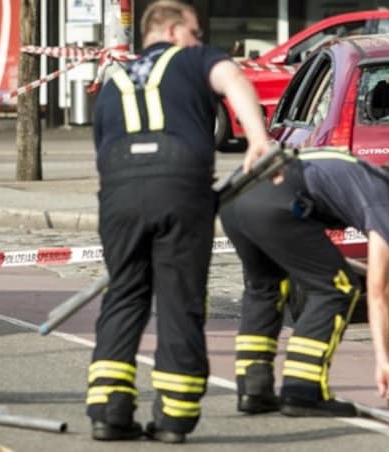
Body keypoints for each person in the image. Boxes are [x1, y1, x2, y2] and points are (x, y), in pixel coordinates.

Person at [88, 0, 270, 444]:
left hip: (118, 189)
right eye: (195, 32)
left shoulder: (112, 82)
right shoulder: (192, 58)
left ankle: (109, 411)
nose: (200, 41)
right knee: (179, 296)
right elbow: (233, 78)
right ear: (172, 31)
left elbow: (101, 149)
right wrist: (259, 139)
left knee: (124, 293)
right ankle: (174, 415)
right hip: (179, 180)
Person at [220, 149, 389, 416]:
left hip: (235, 200)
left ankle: (254, 388)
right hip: (276, 202)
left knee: (265, 287)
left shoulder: (352, 170)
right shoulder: (379, 195)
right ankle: (302, 392)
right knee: (337, 287)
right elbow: (379, 290)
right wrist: (384, 361)